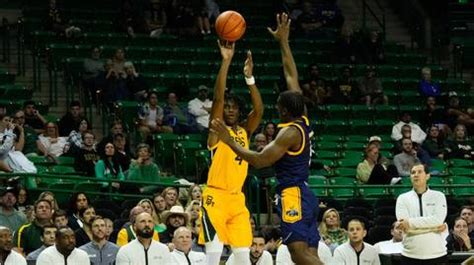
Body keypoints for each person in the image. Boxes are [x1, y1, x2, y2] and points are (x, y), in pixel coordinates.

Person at [210, 13, 321, 264]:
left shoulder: (289, 132)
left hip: (293, 193)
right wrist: (284, 42)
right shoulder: (302, 117)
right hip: (305, 192)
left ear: (283, 111)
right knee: (309, 252)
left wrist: (229, 140)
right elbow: (292, 76)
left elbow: (260, 161)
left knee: (298, 252)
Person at [198, 38, 263, 265]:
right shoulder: (217, 129)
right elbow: (218, 97)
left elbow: (259, 110)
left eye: (234, 106)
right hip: (215, 196)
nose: (230, 109)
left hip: (237, 199)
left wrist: (249, 79)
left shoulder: (245, 131)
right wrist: (226, 61)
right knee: (213, 255)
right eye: (227, 107)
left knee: (244, 258)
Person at [395, 163, 448, 264]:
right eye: (413, 172)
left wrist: (410, 223)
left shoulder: (439, 196)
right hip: (410, 254)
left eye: (419, 172)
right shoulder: (402, 198)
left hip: (437, 254)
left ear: (427, 176)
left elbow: (437, 220)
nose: (415, 175)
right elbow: (404, 225)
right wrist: (434, 228)